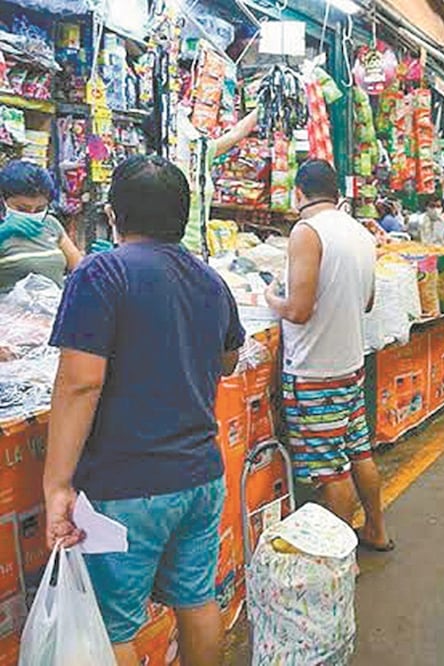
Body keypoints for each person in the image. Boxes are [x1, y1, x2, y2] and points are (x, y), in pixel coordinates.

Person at [43, 155, 244, 666]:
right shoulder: (210, 280)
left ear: (114, 214)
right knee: (197, 600)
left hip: (126, 486)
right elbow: (228, 359)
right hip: (201, 476)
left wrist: (56, 484)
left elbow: (80, 384)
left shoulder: (101, 272)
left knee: (112, 628)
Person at [264, 160, 391, 552]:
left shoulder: (308, 231)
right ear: (336, 194)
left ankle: (341, 557)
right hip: (350, 366)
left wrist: (271, 298)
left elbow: (299, 311)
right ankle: (376, 530)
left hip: (314, 372)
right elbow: (368, 302)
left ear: (299, 193)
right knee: (359, 453)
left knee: (331, 472)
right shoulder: (361, 233)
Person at [176, 108, 260, 255]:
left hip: (198, 250)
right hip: (173, 253)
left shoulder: (200, 152)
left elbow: (236, 133)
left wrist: (263, 105)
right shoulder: (160, 166)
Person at [0, 160, 83, 294]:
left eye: (40, 209)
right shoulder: (4, 230)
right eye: (22, 209)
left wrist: (99, 261)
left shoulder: (50, 224)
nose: (31, 214)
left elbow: (80, 269)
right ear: (3, 201)